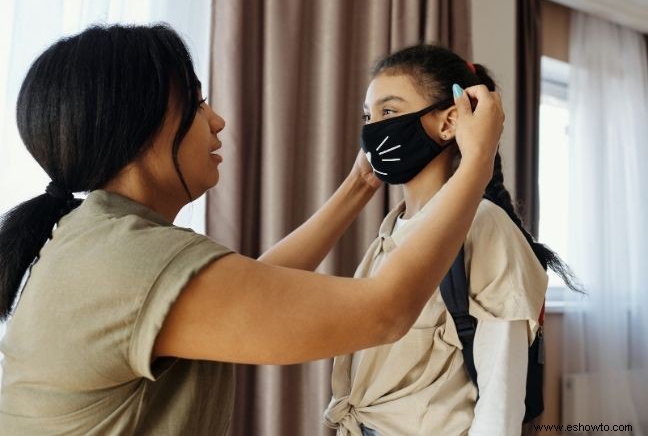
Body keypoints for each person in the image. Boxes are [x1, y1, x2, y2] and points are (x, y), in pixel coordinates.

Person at [0, 25, 503, 435]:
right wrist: (476, 161)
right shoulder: (126, 264)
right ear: (139, 125)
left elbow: (256, 287)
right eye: (196, 105)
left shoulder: (97, 241)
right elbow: (385, 312)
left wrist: (357, 185)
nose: (217, 121)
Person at [324, 44, 580, 436]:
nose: (373, 129)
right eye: (368, 115)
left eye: (388, 112)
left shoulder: (485, 227)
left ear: (448, 123)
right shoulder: (389, 232)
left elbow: (500, 403)